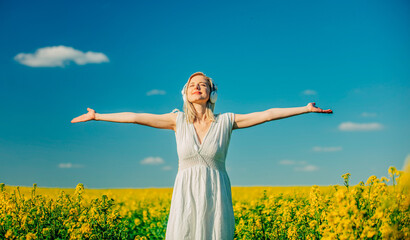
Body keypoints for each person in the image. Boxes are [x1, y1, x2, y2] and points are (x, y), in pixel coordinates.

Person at [71, 72, 333, 239]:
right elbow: (136, 117)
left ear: (210, 93)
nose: (197, 87)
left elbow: (266, 114)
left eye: (203, 85)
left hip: (215, 192)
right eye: (192, 85)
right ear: (185, 93)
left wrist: (304, 109)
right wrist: (97, 116)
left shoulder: (227, 121)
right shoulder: (177, 121)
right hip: (186, 192)